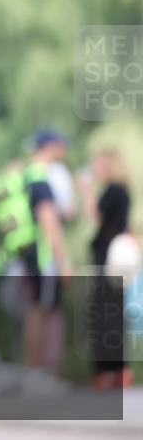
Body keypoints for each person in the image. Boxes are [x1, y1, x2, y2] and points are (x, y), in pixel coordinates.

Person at [20, 129, 74, 395]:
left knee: (39, 309)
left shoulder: (26, 174)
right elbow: (49, 221)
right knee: (41, 310)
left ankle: (37, 373)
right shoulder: (41, 178)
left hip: (28, 254)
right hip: (43, 256)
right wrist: (63, 260)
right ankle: (38, 374)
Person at [77, 147, 134, 389]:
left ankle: (108, 371)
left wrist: (86, 191)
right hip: (115, 261)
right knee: (113, 314)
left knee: (105, 316)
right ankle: (118, 370)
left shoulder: (113, 191)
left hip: (108, 260)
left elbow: (98, 218)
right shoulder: (123, 192)